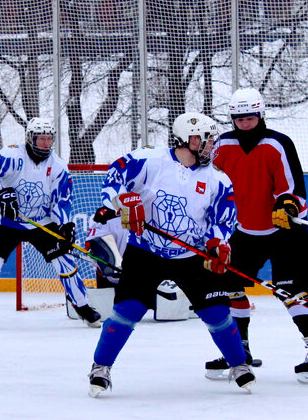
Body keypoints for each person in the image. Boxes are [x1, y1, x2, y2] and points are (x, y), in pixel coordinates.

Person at [85, 112, 253, 397]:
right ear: (187, 139)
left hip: (192, 255)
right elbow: (114, 176)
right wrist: (121, 201)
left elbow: (224, 220)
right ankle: (100, 367)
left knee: (216, 312)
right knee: (128, 310)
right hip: (145, 250)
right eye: (206, 139)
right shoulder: (149, 160)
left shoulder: (218, 179)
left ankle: (239, 365)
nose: (212, 145)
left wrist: (217, 243)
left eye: (213, 139)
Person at [205, 87, 308, 384]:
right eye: (239, 118)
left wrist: (286, 205)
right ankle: (239, 351)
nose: (245, 122)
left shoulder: (277, 144)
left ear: (260, 114)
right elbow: (211, 183)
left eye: (250, 117)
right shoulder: (222, 146)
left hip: (283, 232)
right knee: (228, 288)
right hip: (241, 232)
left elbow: (293, 187)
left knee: (294, 294)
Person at [0, 118, 102, 329]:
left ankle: (83, 308)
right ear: (30, 138)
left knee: (65, 263)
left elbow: (61, 200)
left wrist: (65, 226)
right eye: (41, 138)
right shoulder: (11, 155)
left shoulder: (59, 166)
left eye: (49, 138)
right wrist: (1, 192)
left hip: (42, 224)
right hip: (8, 223)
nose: (45, 143)